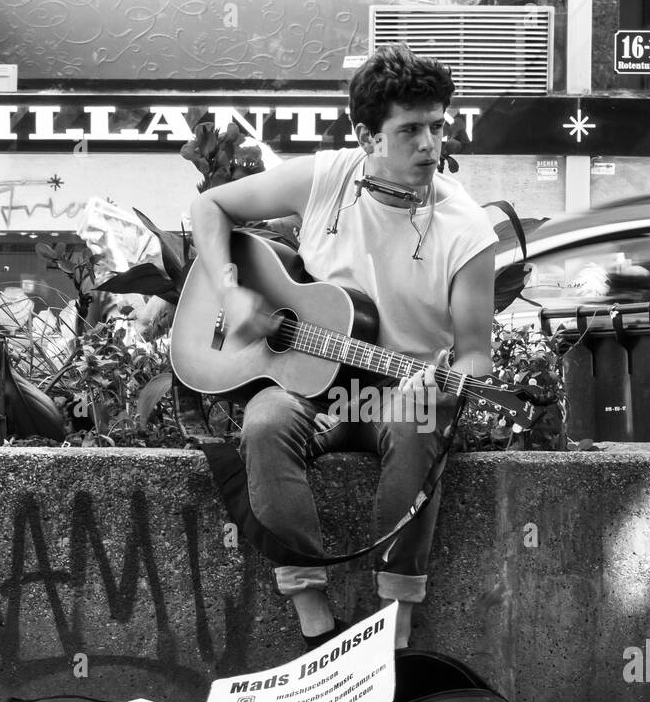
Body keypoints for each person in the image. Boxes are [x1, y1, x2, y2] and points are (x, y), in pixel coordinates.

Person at [172, 44, 498, 649]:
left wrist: (444, 377)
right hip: (313, 387)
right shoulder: (327, 177)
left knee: (419, 421)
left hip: (398, 390)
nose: (430, 145)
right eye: (410, 131)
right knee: (265, 422)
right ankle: (316, 626)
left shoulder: (468, 230)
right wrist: (230, 290)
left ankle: (392, 632)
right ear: (366, 136)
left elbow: (476, 354)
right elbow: (209, 205)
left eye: (438, 126)